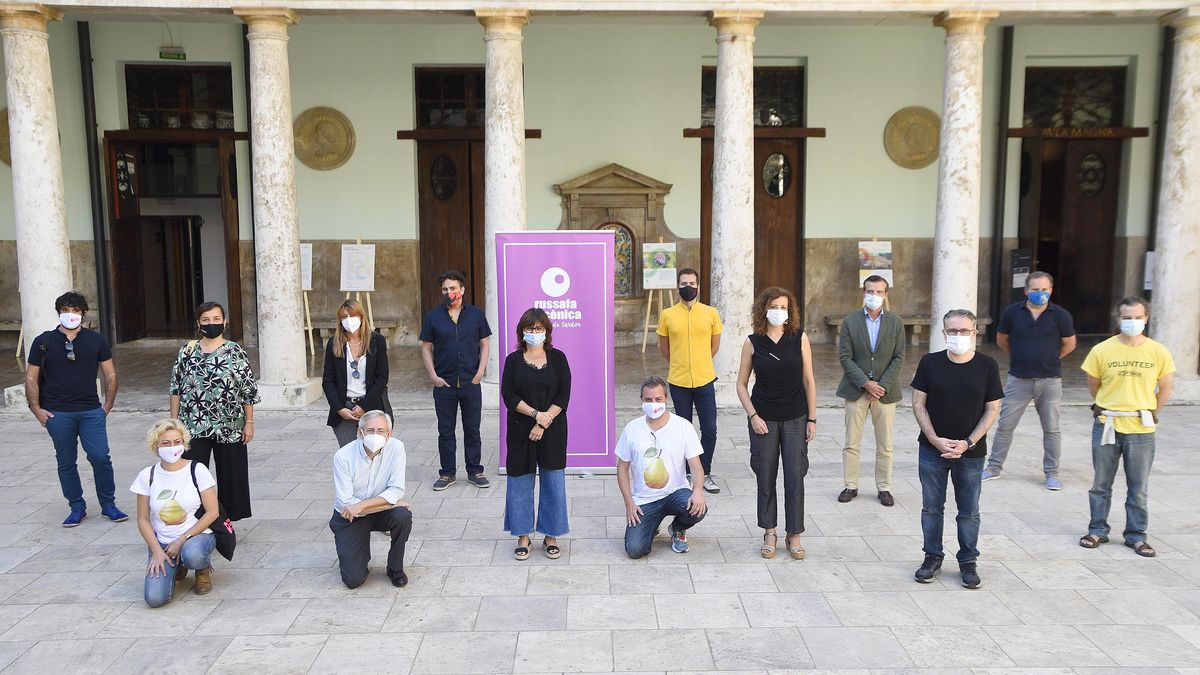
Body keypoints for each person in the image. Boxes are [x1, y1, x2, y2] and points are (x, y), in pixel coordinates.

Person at [910, 309, 1003, 589]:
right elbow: (918, 403)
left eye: (964, 331)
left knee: (969, 511)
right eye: (952, 331)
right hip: (932, 450)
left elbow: (992, 408)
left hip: (971, 453)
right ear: (943, 333)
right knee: (931, 508)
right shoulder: (930, 363)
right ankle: (932, 557)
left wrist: (968, 442)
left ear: (975, 333)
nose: (958, 336)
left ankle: (967, 561)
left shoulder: (987, 366)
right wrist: (935, 439)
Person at [1079, 296, 1174, 558]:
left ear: (1146, 318)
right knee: (1101, 483)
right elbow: (1093, 385)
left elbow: (1165, 387)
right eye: (1126, 317)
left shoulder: (1158, 351)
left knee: (1138, 485)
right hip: (1107, 423)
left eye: (1137, 317)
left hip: (1141, 428)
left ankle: (1136, 535)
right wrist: (1109, 404)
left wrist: (1151, 412)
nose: (1132, 322)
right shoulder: (1102, 350)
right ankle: (1097, 529)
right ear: (1118, 319)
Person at [24, 290, 127, 527]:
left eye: (75, 310)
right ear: (59, 313)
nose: (70, 315)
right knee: (66, 461)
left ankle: (108, 504)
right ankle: (76, 507)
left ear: (83, 313)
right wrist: (36, 409)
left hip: (91, 411)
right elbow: (31, 377)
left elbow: (110, 374)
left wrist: (107, 406)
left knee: (100, 457)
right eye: (65, 311)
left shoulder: (96, 340)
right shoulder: (43, 341)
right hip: (57, 413)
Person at [736, 287, 817, 560]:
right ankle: (769, 531)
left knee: (795, 476)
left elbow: (809, 380)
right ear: (763, 309)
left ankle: (793, 534)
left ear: (789, 311)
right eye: (774, 306)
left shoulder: (799, 338)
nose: (778, 312)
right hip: (764, 420)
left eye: (783, 307)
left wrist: (812, 418)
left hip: (796, 417)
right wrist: (753, 416)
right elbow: (741, 384)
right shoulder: (753, 342)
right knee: (765, 477)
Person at [983, 271, 1077, 489]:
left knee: (1051, 428)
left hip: (1050, 381)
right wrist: (1020, 358)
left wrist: (1050, 359)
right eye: (1035, 290)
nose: (1040, 293)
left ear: (1051, 290)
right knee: (1005, 425)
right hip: (1019, 379)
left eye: (1044, 289)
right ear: (1026, 291)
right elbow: (1002, 339)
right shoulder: (1012, 312)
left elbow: (1069, 344)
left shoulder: (1061, 315)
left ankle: (1052, 473)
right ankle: (993, 468)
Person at [169, 301, 259, 521]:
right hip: (193, 424)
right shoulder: (187, 351)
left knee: (231, 474)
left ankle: (227, 520)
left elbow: (247, 389)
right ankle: (197, 516)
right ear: (199, 323)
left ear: (225, 322)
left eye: (216, 319)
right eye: (206, 320)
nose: (212, 324)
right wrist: (174, 424)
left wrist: (249, 422)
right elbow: (176, 387)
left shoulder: (235, 350)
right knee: (193, 472)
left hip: (229, 423)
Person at [501, 308, 572, 560]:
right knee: (520, 481)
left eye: (539, 328)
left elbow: (563, 394)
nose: (534, 333)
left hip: (552, 429)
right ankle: (523, 535)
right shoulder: (512, 360)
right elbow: (509, 396)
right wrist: (534, 415)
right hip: (521, 430)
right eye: (530, 329)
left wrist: (543, 422)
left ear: (547, 331)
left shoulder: (558, 358)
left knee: (553, 481)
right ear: (522, 332)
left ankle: (551, 534)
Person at [130, 419, 220, 607]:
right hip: (163, 541)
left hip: (194, 535)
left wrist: (181, 540)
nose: (172, 447)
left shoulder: (197, 470)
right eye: (166, 443)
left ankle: (200, 568)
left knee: (193, 553)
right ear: (156, 446)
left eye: (177, 442)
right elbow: (143, 519)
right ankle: (176, 564)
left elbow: (212, 513)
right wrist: (156, 551)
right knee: (155, 599)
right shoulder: (147, 475)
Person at [616, 376, 707, 558]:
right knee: (635, 550)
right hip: (644, 500)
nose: (653, 404)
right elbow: (622, 468)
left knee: (698, 508)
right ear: (641, 400)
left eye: (658, 399)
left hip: (676, 493)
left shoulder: (683, 426)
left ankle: (678, 528)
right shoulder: (632, 429)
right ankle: (652, 524)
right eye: (648, 400)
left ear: (666, 398)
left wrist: (697, 491)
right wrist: (629, 503)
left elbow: (696, 467)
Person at [836, 275, 906, 507]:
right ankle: (851, 485)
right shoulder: (850, 322)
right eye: (870, 291)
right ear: (863, 292)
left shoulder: (896, 322)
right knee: (851, 442)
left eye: (879, 292)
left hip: (885, 393)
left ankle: (884, 487)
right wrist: (866, 383)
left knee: (885, 444)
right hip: (857, 390)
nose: (874, 296)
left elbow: (899, 357)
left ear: (886, 295)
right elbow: (845, 357)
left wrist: (881, 385)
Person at [419, 270, 492, 491]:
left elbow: (485, 344)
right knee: (446, 431)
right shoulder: (433, 317)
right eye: (445, 289)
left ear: (462, 290)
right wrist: (433, 376)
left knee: (472, 430)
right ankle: (447, 473)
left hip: (471, 383)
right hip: (445, 384)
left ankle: (475, 471)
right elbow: (426, 347)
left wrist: (480, 372)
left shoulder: (476, 315)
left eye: (453, 288)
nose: (449, 292)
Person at [656, 267, 723, 494]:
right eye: (684, 283)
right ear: (677, 287)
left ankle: (705, 472)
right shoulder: (667, 315)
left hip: (705, 379)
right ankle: (685, 473)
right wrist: (680, 363)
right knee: (683, 430)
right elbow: (664, 348)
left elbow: (714, 345)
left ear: (698, 286)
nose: (688, 287)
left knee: (710, 429)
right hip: (679, 381)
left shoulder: (710, 313)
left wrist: (701, 361)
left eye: (692, 283)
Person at [330, 410, 414, 588]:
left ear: (389, 433)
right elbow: (347, 504)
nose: (375, 435)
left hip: (372, 511)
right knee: (353, 580)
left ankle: (395, 568)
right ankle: (355, 555)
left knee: (402, 516)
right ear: (359, 432)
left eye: (381, 430)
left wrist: (365, 505)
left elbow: (397, 489)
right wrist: (390, 503)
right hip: (349, 518)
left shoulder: (397, 448)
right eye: (370, 430)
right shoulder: (343, 456)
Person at [322, 299, 392, 447]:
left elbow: (382, 377)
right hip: (344, 408)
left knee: (373, 453)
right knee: (348, 456)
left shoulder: (376, 341)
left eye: (353, 316)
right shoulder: (334, 343)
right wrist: (339, 408)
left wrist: (364, 406)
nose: (349, 320)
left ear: (361, 317)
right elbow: (328, 380)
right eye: (344, 317)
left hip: (371, 406)